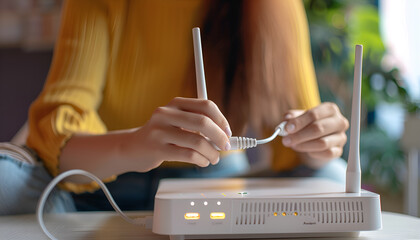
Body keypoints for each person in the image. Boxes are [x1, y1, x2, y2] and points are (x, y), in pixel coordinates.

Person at [0, 0, 349, 214]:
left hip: (214, 188)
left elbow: (301, 151)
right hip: (96, 187)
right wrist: (133, 145)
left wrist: (319, 143)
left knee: (333, 178)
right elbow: (53, 137)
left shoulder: (273, 6)